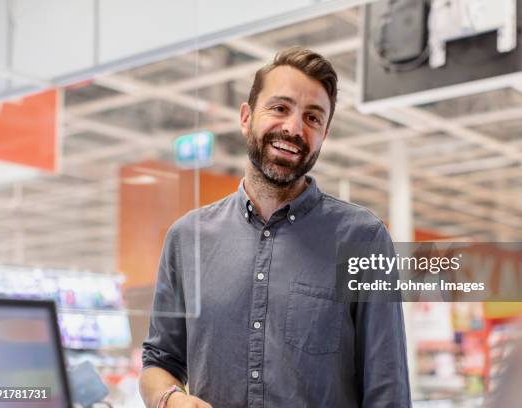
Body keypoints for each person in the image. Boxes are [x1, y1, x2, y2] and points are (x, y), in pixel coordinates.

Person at [139, 47, 411, 408]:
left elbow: (387, 391)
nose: (294, 128)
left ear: (324, 134)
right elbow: (158, 364)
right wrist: (170, 399)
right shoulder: (187, 238)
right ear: (246, 117)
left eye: (313, 118)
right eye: (280, 108)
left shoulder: (363, 239)